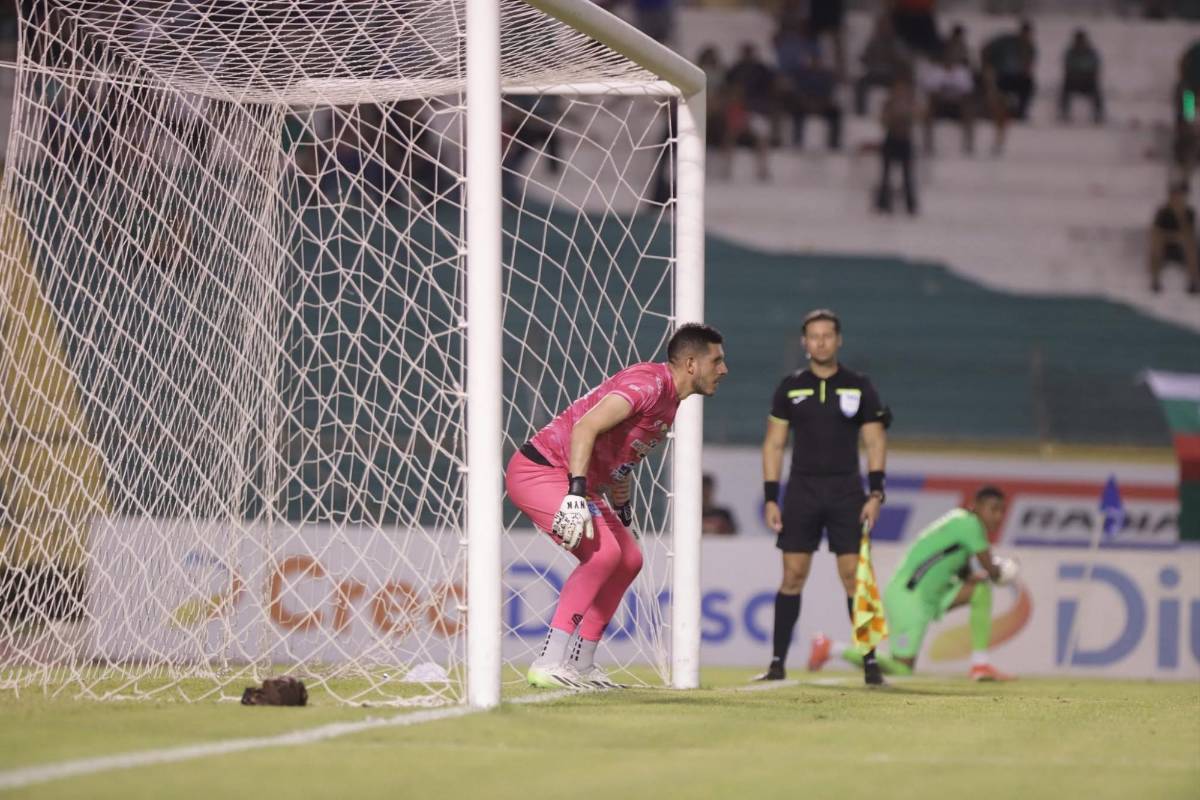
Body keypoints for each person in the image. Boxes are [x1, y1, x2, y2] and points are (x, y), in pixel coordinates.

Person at [506, 324, 729, 689]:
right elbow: (585, 428)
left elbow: (618, 463)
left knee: (630, 558)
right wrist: (577, 493)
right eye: (717, 360)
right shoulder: (648, 385)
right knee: (604, 554)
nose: (724, 370)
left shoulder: (670, 403)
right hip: (541, 470)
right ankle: (548, 661)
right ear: (691, 364)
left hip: (577, 480)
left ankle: (581, 662)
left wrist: (622, 511)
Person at [756, 309, 891, 686]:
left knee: (853, 577)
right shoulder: (790, 387)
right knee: (793, 575)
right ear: (804, 342)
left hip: (847, 491)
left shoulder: (859, 386)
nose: (820, 342)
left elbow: (875, 439)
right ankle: (778, 662)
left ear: (838, 339)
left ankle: (869, 662)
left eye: (827, 335)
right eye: (813, 336)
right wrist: (771, 496)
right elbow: (774, 444)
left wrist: (876, 491)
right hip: (802, 491)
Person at [808, 486, 1019, 682]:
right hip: (910, 596)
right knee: (902, 669)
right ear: (976, 506)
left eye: (1001, 511)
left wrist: (977, 575)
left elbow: (960, 567)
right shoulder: (970, 524)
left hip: (932, 595)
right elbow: (991, 568)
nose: (998, 516)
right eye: (993, 509)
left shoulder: (962, 523)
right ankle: (830, 647)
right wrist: (1007, 570)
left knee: (980, 590)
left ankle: (980, 665)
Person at [876, 73, 920, 215]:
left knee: (907, 175)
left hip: (905, 141)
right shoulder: (888, 103)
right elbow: (884, 121)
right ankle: (883, 203)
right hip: (891, 139)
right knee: (885, 174)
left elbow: (917, 117)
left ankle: (910, 205)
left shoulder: (911, 103)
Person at [855, 13, 912, 116]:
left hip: (891, 75)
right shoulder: (873, 41)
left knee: (904, 83)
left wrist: (895, 59)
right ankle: (860, 113)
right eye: (882, 25)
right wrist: (867, 59)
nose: (884, 28)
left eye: (887, 25)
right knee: (860, 83)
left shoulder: (897, 43)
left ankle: (900, 112)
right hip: (874, 74)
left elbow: (904, 61)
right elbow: (864, 57)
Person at [1148, 181, 1200, 294]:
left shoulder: (1189, 212)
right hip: (1165, 250)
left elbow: (1189, 233)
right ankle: (1155, 280)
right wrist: (1174, 237)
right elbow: (1157, 231)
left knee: (1189, 244)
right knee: (1157, 241)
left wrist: (1180, 216)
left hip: (1182, 250)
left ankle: (1193, 282)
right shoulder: (1162, 212)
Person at [981, 20, 1037, 121]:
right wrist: (987, 64)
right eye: (1024, 33)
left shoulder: (1029, 48)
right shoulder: (1007, 41)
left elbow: (1030, 65)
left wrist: (1026, 71)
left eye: (1028, 34)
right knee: (994, 87)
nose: (1026, 36)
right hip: (1001, 75)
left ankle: (1020, 113)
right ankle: (994, 112)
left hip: (1017, 77)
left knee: (1028, 84)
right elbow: (987, 48)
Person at [1059, 29, 1104, 125]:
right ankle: (1064, 113)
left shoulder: (1091, 53)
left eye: (1081, 40)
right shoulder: (1070, 53)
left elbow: (1096, 67)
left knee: (1096, 91)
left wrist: (1089, 75)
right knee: (1065, 89)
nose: (1080, 42)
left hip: (1087, 81)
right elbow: (1067, 68)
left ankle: (1098, 115)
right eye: (1078, 40)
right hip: (1073, 81)